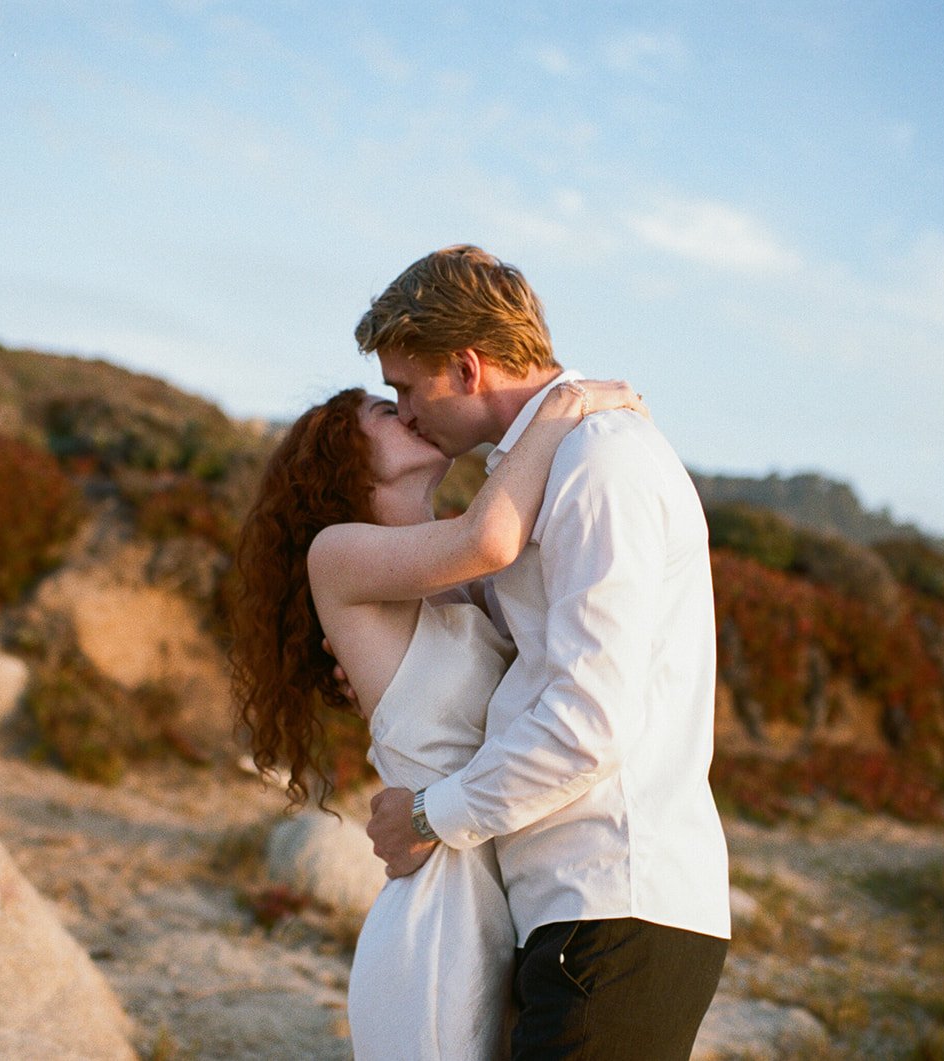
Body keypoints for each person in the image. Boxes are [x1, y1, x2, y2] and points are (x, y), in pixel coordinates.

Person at [357, 244, 731, 1060]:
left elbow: (589, 723)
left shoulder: (601, 463)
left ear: (466, 367)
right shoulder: (558, 466)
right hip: (574, 903)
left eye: (406, 388)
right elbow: (519, 652)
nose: (405, 413)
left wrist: (428, 817)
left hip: (615, 897)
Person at [229, 378, 647, 1059]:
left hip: (511, 891)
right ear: (345, 455)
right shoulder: (336, 552)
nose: (412, 413)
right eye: (385, 410)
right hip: (440, 909)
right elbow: (490, 538)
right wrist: (560, 405)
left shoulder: (457, 584)